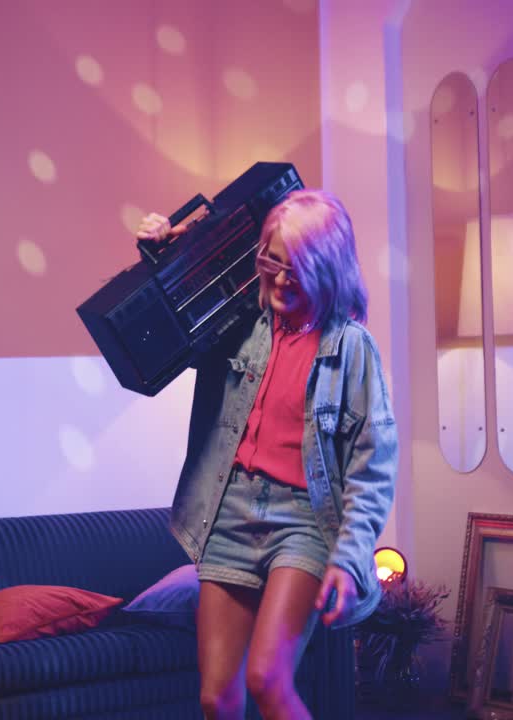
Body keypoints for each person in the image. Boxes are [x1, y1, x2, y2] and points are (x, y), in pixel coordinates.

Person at [136, 189, 398, 720]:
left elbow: (373, 469)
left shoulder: (350, 348)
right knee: (217, 697)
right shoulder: (237, 324)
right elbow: (160, 329)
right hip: (228, 512)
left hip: (303, 522)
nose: (279, 280)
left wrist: (348, 562)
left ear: (327, 269)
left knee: (267, 680)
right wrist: (165, 251)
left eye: (296, 269)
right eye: (270, 262)